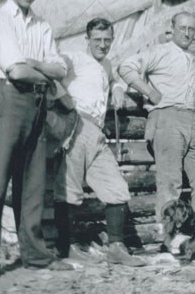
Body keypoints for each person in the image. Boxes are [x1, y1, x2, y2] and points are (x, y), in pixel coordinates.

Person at [0, 0, 72, 278]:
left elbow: (61, 66)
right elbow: (16, 71)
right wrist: (45, 71)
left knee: (32, 187)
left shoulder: (41, 24)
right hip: (8, 102)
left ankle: (36, 256)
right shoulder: (1, 18)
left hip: (38, 105)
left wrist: (37, 66)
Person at [51, 18, 145, 266]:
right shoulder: (73, 58)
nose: (102, 45)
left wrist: (117, 87)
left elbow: (111, 80)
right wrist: (66, 104)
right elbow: (52, 75)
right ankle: (67, 248)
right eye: (97, 40)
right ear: (87, 40)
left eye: (107, 40)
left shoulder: (106, 65)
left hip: (97, 132)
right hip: (74, 126)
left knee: (116, 188)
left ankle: (116, 247)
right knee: (68, 189)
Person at [118, 12, 195, 223]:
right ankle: (168, 242)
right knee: (170, 184)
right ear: (172, 28)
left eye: (191, 29)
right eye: (182, 27)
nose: (187, 33)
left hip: (191, 122)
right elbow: (126, 67)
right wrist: (149, 92)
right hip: (166, 118)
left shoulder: (192, 60)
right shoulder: (160, 51)